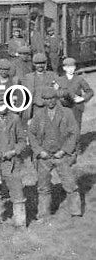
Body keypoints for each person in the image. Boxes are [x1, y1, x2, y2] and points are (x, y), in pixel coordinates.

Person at [29, 87, 82, 219]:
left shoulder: (67, 112)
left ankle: (76, 212)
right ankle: (43, 214)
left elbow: (74, 133)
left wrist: (64, 150)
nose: (50, 101)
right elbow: (31, 134)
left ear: (56, 98)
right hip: (44, 157)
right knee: (43, 187)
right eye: (47, 99)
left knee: (70, 184)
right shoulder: (38, 115)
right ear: (43, 100)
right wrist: (39, 151)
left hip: (61, 155)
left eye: (52, 98)